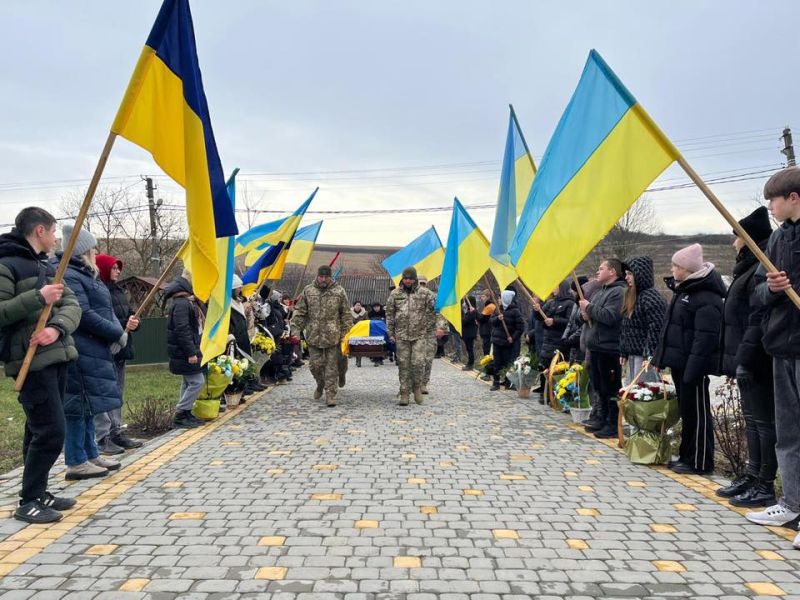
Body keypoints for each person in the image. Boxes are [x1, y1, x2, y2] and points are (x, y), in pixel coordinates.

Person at [0, 208, 81, 523]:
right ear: (39, 232)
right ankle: (29, 500)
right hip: (28, 362)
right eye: (53, 231)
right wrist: (37, 297)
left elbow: (72, 304)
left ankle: (38, 491)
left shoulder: (46, 266)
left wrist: (56, 328)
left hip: (56, 355)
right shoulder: (7, 265)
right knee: (51, 430)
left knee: (38, 428)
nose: (56, 237)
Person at [745, 168, 800, 546]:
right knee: (788, 432)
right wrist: (774, 290)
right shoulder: (779, 239)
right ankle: (792, 503)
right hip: (782, 345)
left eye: (774, 200)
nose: (770, 207)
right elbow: (759, 298)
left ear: (793, 198)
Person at [716, 207, 776, 507]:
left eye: (737, 237)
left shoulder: (759, 268)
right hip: (746, 354)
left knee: (763, 423)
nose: (733, 243)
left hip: (757, 357)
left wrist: (745, 358)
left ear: (749, 238)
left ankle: (765, 483)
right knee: (752, 420)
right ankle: (752, 476)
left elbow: (756, 317)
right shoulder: (747, 268)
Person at [60, 225, 125, 480]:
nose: (96, 252)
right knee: (77, 405)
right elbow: (84, 314)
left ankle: (90, 453)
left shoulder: (86, 274)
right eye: (93, 248)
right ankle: (76, 461)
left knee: (89, 405)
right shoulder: (71, 276)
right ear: (83, 251)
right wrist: (114, 332)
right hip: (79, 348)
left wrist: (118, 330)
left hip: (92, 348)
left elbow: (104, 309)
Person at [654, 244, 725, 474]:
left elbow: (704, 338)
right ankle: (686, 456)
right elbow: (669, 329)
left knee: (698, 413)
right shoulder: (683, 291)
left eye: (676, 265)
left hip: (693, 366)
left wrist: (693, 369)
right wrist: (659, 357)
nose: (672, 269)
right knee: (687, 412)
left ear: (688, 268)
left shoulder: (705, 297)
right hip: (680, 364)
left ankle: (701, 462)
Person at [94, 254, 143, 455]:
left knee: (117, 394)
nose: (118, 271)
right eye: (113, 268)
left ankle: (116, 432)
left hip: (121, 350)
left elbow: (130, 314)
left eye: (118, 268)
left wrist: (135, 323)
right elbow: (102, 320)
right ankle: (103, 437)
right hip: (106, 350)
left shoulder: (119, 291)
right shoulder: (98, 291)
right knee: (105, 395)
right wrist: (123, 325)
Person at [292, 265, 352, 407]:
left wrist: (345, 333)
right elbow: (300, 312)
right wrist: (295, 331)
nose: (323, 279)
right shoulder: (308, 290)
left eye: (326, 277)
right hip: (314, 335)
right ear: (317, 276)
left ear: (330, 277)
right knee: (315, 366)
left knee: (332, 366)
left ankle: (330, 394)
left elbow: (346, 314)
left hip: (333, 335)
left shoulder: (339, 291)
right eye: (321, 276)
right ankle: (320, 384)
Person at [579, 259, 627, 438]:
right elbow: (590, 316)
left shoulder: (619, 292)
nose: (598, 272)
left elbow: (610, 316)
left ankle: (613, 423)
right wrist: (584, 314)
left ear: (613, 271)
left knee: (610, 387)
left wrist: (589, 307)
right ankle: (602, 417)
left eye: (601, 269)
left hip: (609, 348)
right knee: (599, 386)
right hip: (596, 347)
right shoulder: (600, 291)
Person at [386, 266, 436, 405]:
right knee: (403, 364)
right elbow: (389, 314)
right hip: (401, 335)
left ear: (415, 279)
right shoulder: (395, 294)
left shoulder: (425, 293)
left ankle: (417, 387)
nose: (408, 281)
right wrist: (390, 332)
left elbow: (435, 310)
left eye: (411, 278)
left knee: (418, 363)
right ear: (403, 279)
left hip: (419, 335)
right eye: (406, 278)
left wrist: (426, 326)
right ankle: (404, 392)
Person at [165, 270, 206, 428]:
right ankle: (181, 413)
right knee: (197, 382)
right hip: (184, 351)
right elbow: (182, 329)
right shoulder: (182, 303)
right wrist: (191, 352)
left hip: (185, 349)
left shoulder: (186, 301)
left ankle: (185, 413)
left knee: (188, 382)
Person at [619, 256, 666, 385]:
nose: (626, 277)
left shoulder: (651, 298)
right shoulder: (631, 296)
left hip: (645, 358)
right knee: (631, 391)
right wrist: (624, 350)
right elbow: (626, 327)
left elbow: (656, 328)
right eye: (626, 274)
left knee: (645, 391)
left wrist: (649, 355)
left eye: (630, 274)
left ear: (640, 275)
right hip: (633, 355)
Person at [530, 281, 574, 386]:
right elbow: (540, 317)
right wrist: (537, 310)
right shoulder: (551, 302)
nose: (553, 289)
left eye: (555, 287)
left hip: (560, 342)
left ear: (562, 288)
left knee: (557, 369)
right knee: (546, 367)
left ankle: (556, 394)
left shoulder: (570, 303)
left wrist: (554, 321)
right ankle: (545, 392)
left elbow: (570, 322)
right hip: (547, 342)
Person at [489, 289, 525, 391]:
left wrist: (512, 338)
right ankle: (495, 382)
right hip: (497, 340)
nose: (499, 299)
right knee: (497, 362)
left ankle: (508, 382)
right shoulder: (498, 309)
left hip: (507, 342)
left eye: (501, 297)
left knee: (507, 363)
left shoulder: (515, 311)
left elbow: (520, 327)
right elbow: (491, 321)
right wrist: (497, 319)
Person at [461, 296, 478, 371]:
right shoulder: (469, 310)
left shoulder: (472, 311)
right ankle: (469, 363)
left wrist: (461, 318)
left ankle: (470, 364)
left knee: (470, 349)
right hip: (468, 333)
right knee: (468, 348)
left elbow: (465, 321)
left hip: (469, 333)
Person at [477, 289, 495, 360]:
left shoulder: (490, 306)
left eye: (483, 296)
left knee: (487, 350)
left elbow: (482, 318)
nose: (481, 298)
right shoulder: (487, 306)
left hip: (488, 331)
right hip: (486, 331)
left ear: (488, 297)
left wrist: (475, 312)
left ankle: (488, 366)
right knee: (486, 348)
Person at [351, 301, 369, 367]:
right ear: (354, 306)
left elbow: (367, 321)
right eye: (356, 305)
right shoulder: (350, 313)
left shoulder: (365, 313)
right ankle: (355, 357)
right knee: (353, 345)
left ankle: (359, 360)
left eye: (359, 305)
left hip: (361, 330)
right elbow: (348, 321)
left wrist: (361, 324)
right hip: (352, 330)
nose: (358, 306)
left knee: (359, 345)